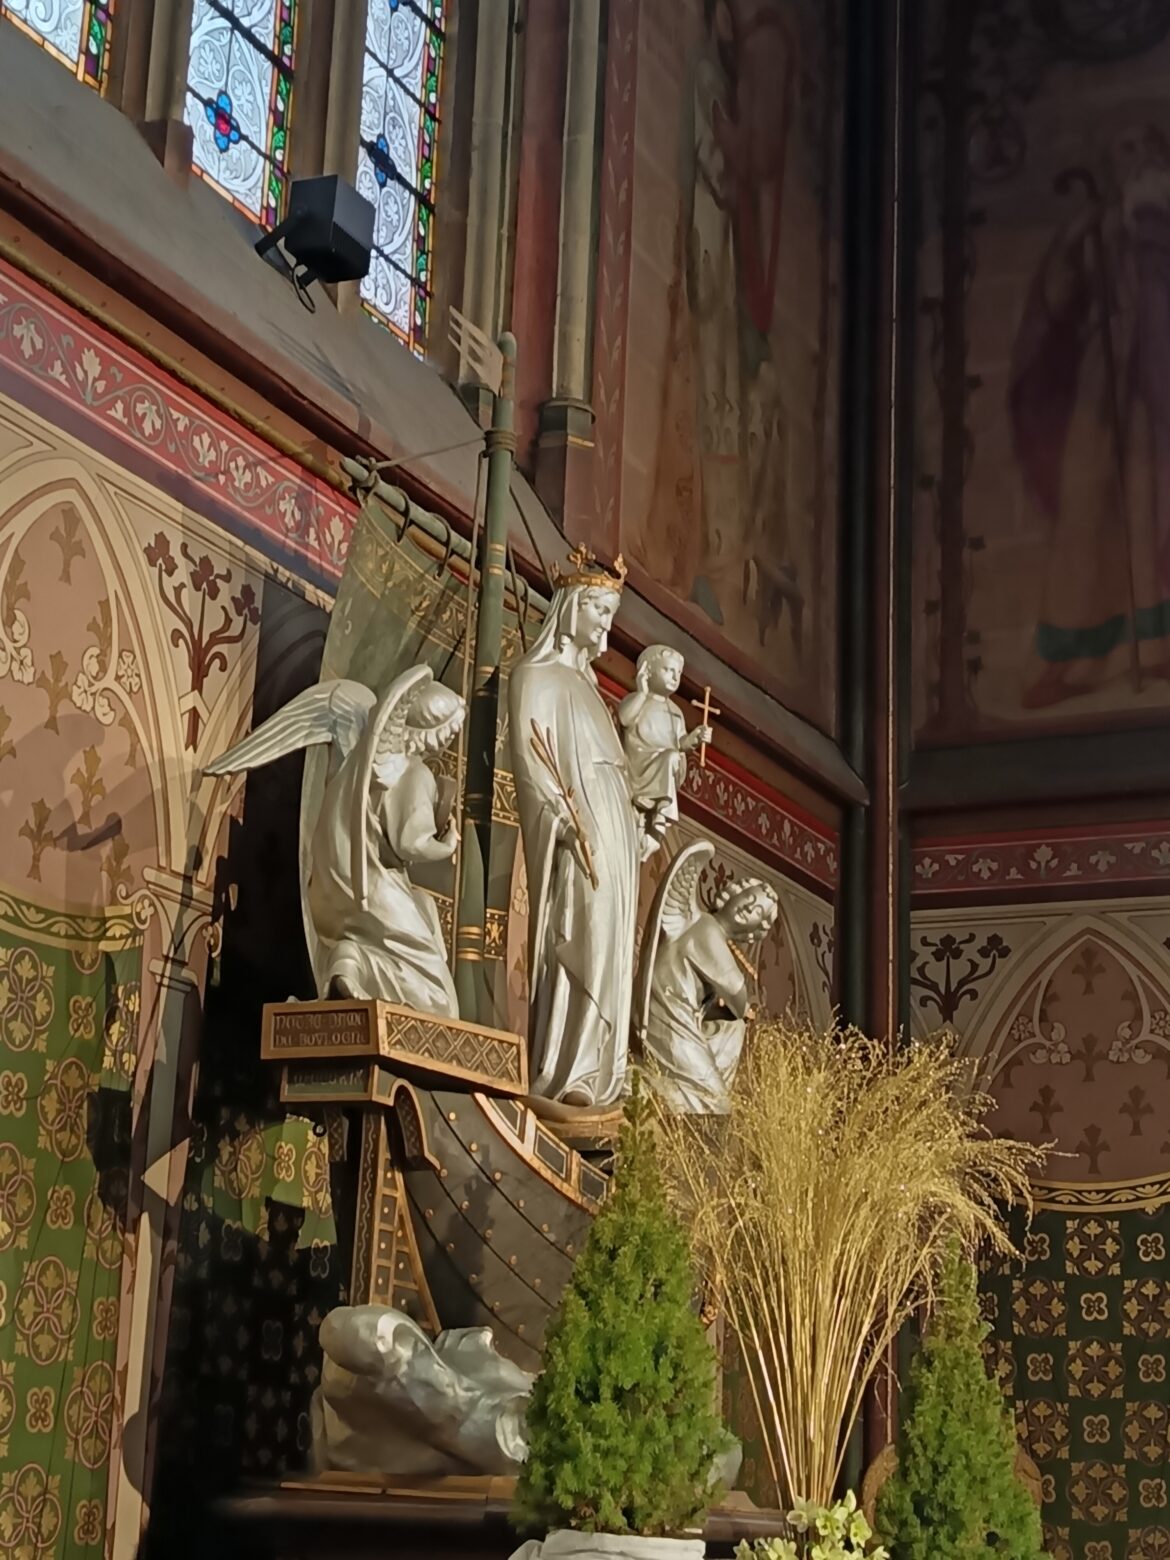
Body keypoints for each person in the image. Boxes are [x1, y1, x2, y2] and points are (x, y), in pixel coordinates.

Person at [1010, 121, 1170, 708]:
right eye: (1121, 150)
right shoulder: (1096, 226)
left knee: (1154, 502)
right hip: (1103, 383)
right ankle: (1074, 653)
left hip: (1160, 379)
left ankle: (1156, 647)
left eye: (1141, 146)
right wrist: (1080, 249)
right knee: (1085, 505)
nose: (1132, 158)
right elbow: (1055, 300)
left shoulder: (1158, 207)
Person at [507, 549, 641, 1111]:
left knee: (613, 941)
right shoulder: (535, 676)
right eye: (600, 612)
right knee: (584, 928)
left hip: (615, 826)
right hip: (578, 826)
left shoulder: (590, 689)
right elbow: (532, 764)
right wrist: (564, 823)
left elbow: (616, 767)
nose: (607, 627)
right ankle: (571, 1067)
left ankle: (605, 1067)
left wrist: (637, 818)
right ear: (571, 609)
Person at [618, 645, 711, 849]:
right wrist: (642, 692)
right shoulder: (637, 700)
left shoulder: (676, 713)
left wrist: (694, 739)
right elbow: (624, 719)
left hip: (664, 766)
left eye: (677, 673)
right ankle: (655, 814)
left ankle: (660, 816)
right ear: (648, 671)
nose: (674, 677)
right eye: (668, 670)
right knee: (669, 758)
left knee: (671, 757)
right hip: (637, 765)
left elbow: (679, 744)